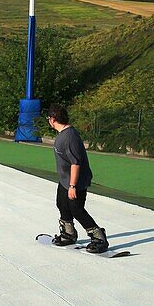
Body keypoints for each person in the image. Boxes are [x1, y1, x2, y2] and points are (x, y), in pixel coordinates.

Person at [46, 104, 109, 253]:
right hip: (65, 180)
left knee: (76, 209)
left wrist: (73, 186)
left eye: (49, 118)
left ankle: (99, 237)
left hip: (76, 182)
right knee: (61, 204)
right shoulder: (63, 134)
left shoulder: (69, 137)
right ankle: (68, 234)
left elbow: (76, 163)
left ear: (53, 119)